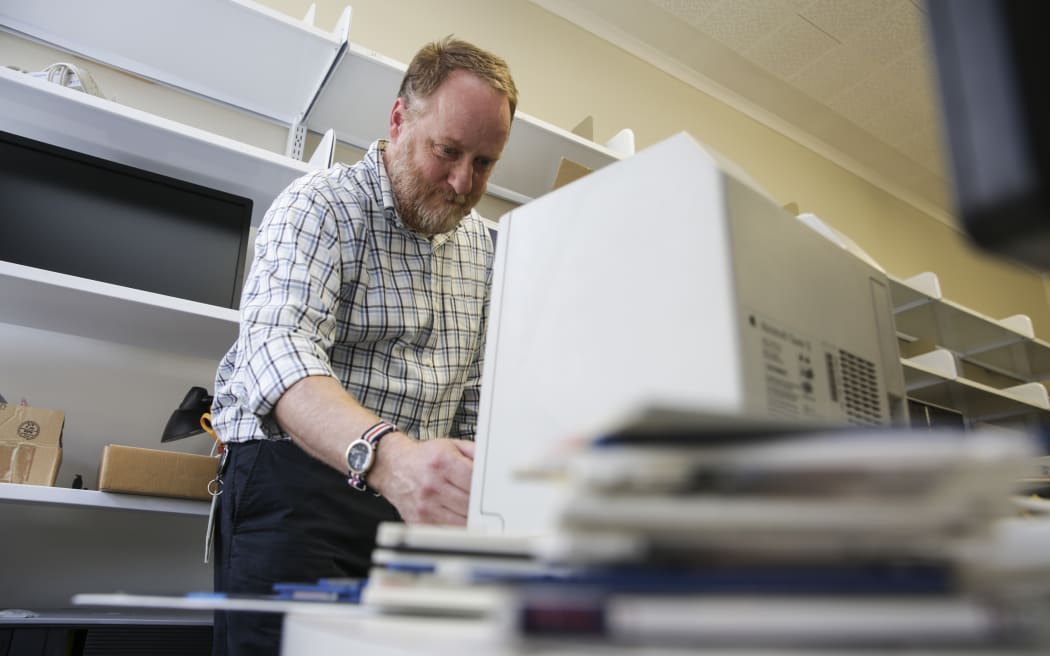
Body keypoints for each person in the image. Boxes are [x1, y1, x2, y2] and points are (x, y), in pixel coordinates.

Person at [208, 36, 518, 656]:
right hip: (297, 489)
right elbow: (278, 350)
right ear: (399, 119)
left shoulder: (485, 251)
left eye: (485, 163)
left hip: (417, 509)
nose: (463, 181)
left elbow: (476, 394)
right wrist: (390, 459)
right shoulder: (320, 204)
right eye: (448, 151)